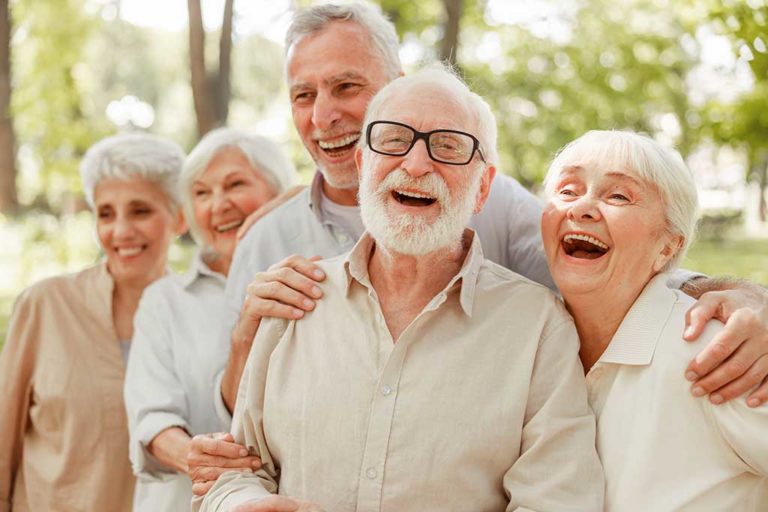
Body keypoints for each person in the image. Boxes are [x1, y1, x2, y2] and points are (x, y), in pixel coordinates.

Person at [188, 1, 768, 490]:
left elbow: (610, 263)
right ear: (366, 159)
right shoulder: (267, 240)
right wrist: (247, 346)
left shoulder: (509, 233)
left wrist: (736, 295)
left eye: (346, 86)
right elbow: (238, 442)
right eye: (303, 95)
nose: (324, 114)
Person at [197, 64, 604, 512]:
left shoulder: (538, 327)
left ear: (482, 188)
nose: (416, 164)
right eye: (393, 141)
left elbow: (555, 500)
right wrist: (241, 503)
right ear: (362, 165)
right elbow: (235, 469)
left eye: (447, 146)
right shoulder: (293, 302)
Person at [540, 130, 768, 510]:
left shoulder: (715, 353)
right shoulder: (532, 344)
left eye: (618, 196)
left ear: (668, 246)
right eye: (567, 190)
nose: (581, 208)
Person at [0, 133, 186, 511]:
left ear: (180, 218)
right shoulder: (45, 305)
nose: (120, 231)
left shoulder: (198, 316)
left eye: (140, 211)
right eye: (105, 214)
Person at [123, 128, 295, 511]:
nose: (218, 205)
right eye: (201, 193)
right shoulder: (165, 301)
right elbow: (151, 418)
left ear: (278, 192)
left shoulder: (311, 279)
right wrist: (198, 457)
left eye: (235, 185)